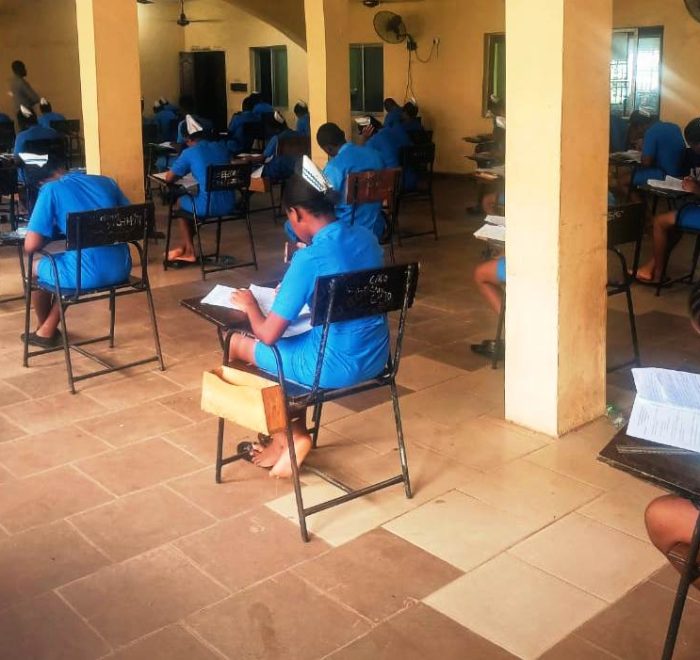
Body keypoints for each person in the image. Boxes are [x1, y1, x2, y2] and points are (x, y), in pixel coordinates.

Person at [227, 159, 389, 478]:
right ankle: (290, 434)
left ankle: (288, 436)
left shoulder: (309, 258)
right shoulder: (367, 239)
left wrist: (249, 305)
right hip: (375, 356)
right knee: (295, 347)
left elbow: (268, 334)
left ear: (297, 213)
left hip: (328, 365)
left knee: (236, 344)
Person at [22, 158, 132, 347]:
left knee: (34, 268)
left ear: (40, 182)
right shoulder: (107, 181)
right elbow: (132, 218)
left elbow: (31, 245)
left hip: (84, 276)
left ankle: (45, 329)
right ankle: (48, 328)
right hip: (121, 268)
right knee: (66, 264)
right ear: (61, 166)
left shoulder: (51, 190)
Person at [164, 115, 236, 264]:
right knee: (192, 204)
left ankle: (190, 252)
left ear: (186, 138)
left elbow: (169, 178)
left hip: (207, 206)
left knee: (180, 202)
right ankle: (183, 247)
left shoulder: (189, 153)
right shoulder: (221, 147)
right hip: (230, 202)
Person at [636, 118, 700, 283]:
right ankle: (649, 269)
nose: (693, 149)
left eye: (694, 145)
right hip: (694, 206)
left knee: (659, 222)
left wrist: (696, 189)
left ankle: (657, 275)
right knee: (673, 226)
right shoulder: (692, 154)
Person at [316, 122, 386, 238]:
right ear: (343, 135)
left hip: (347, 228)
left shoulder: (334, 166)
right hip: (376, 226)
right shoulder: (376, 155)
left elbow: (323, 199)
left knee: (293, 224)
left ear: (327, 148)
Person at [632, 112, 686, 187]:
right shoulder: (674, 127)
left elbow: (646, 163)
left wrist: (643, 152)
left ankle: (638, 199)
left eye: (636, 128)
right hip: (681, 174)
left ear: (640, 125)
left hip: (664, 174)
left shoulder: (651, 132)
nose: (639, 131)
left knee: (623, 180)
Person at [362, 118, 416, 191]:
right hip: (411, 178)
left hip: (393, 184)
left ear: (368, 130)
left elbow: (364, 162)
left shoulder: (372, 141)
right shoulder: (397, 129)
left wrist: (365, 139)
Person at [13, 105, 61, 184]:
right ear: (36, 118)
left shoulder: (21, 137)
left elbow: (17, 160)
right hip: (54, 173)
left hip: (30, 176)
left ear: (21, 122)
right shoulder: (53, 132)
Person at [262, 111, 300, 181]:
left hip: (278, 171)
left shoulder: (276, 138)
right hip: (296, 169)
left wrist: (249, 159)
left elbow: (264, 157)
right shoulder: (298, 134)